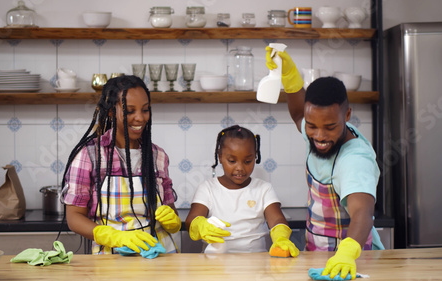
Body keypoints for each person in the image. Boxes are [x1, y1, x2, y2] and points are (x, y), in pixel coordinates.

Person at [265, 46, 384, 279]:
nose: (319, 136)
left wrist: (347, 253)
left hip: (352, 262)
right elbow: (300, 113)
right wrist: (290, 78)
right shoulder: (317, 130)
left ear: (347, 115)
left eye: (330, 127)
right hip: (318, 254)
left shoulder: (355, 159)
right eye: (312, 126)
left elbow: (363, 213)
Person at [62, 75, 180, 255]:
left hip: (160, 257)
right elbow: (74, 218)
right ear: (111, 111)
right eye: (130, 111)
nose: (139, 118)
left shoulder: (158, 156)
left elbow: (170, 211)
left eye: (145, 109)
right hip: (112, 257)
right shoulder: (90, 155)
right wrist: (112, 236)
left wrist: (173, 221)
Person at [185, 125, 299, 257]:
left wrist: (281, 237)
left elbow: (277, 219)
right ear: (220, 157)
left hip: (256, 261)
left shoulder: (263, 188)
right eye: (232, 161)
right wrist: (199, 225)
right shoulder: (207, 188)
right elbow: (191, 219)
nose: (240, 168)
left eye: (248, 161)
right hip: (215, 262)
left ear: (255, 157)